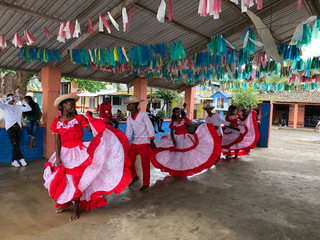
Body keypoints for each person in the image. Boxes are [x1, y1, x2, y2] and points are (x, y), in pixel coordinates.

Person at [43, 94, 131, 221]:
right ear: (63, 105)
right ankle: (65, 202)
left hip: (79, 151)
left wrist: (94, 122)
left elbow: (89, 128)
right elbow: (57, 142)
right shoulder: (56, 122)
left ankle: (76, 207)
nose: (73, 106)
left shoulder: (79, 118)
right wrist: (57, 158)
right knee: (64, 178)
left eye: (73, 104)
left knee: (78, 180)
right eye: (70, 104)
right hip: (65, 152)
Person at [151, 107, 221, 177]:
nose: (178, 113)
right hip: (177, 139)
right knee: (178, 155)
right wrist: (173, 140)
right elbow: (172, 133)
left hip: (186, 138)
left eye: (179, 112)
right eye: (177, 112)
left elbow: (192, 125)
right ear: (174, 114)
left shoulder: (184, 119)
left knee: (187, 154)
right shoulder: (173, 122)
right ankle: (179, 170)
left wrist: (202, 124)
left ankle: (186, 169)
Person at [125, 95, 156, 192]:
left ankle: (146, 184)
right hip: (135, 142)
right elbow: (129, 132)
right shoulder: (129, 118)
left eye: (129, 104)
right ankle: (135, 176)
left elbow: (150, 127)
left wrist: (151, 140)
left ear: (134, 105)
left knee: (145, 163)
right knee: (128, 159)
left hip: (145, 142)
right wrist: (126, 144)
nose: (127, 106)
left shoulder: (143, 115)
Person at [0, 94, 31, 167]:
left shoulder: (18, 106)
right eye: (10, 98)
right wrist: (8, 99)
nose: (12, 99)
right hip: (10, 127)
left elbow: (29, 109)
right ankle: (21, 158)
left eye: (13, 98)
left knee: (16, 144)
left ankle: (14, 160)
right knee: (14, 143)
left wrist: (22, 100)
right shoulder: (5, 106)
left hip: (18, 127)